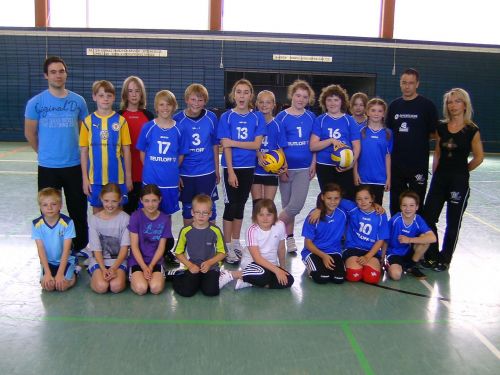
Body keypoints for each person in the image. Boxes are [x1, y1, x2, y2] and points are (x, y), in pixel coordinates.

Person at [24, 56, 89, 254]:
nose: (58, 75)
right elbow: (30, 133)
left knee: (78, 210)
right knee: (50, 210)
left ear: (66, 74)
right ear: (46, 75)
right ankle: (53, 249)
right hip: (48, 167)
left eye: (61, 71)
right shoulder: (36, 103)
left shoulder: (78, 101)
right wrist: (44, 153)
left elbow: (84, 134)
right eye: (53, 72)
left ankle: (79, 248)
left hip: (74, 165)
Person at [423, 88, 484, 272]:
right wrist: (436, 173)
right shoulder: (441, 128)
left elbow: (479, 157)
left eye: (457, 101)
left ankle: (445, 259)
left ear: (465, 104)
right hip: (440, 179)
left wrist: (462, 172)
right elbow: (439, 153)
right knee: (427, 216)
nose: (453, 105)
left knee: (453, 221)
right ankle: (432, 256)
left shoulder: (472, 130)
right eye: (450, 102)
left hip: (458, 181)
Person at [217, 79, 266, 263]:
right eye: (238, 92)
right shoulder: (227, 117)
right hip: (232, 167)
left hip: (248, 168)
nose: (242, 96)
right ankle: (227, 246)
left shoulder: (257, 117)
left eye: (246, 92)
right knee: (231, 206)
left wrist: (233, 142)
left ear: (251, 95)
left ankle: (236, 242)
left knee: (241, 205)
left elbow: (256, 144)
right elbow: (225, 147)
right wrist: (230, 172)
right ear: (233, 95)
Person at [386, 68, 439, 215]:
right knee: (396, 204)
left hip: (418, 165)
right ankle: (396, 235)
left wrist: (416, 138)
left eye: (411, 83)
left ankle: (415, 237)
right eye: (404, 82)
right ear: (400, 84)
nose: (407, 86)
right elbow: (389, 133)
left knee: (416, 204)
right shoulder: (394, 106)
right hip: (397, 165)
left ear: (417, 84)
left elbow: (435, 133)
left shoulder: (427, 106)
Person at [79, 80, 132, 214]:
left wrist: (128, 177)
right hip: (95, 179)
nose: (105, 99)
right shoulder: (87, 122)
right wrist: (85, 179)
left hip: (117, 177)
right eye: (101, 95)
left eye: (109, 95)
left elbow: (126, 151)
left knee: (118, 213)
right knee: (97, 213)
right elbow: (84, 152)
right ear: (94, 97)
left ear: (114, 97)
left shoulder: (121, 121)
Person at [276, 80, 317, 253]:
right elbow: (279, 145)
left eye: (305, 97)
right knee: (287, 205)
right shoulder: (282, 117)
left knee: (295, 205)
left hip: (304, 168)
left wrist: (313, 163)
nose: (301, 99)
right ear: (292, 95)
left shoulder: (311, 117)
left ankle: (270, 229)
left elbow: (315, 142)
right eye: (298, 95)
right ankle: (289, 238)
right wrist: (283, 168)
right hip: (286, 168)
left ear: (309, 99)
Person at [219, 199, 294, 290]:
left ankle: (249, 282)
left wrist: (282, 269)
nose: (265, 218)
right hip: (252, 264)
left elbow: (281, 248)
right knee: (263, 275)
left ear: (274, 215)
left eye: (269, 215)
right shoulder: (252, 230)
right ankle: (231, 274)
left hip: (271, 265)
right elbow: (257, 259)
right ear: (255, 216)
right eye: (261, 215)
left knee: (289, 280)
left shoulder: (280, 225)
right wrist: (277, 270)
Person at [137, 90, 190, 217]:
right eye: (161, 104)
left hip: (170, 181)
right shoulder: (148, 127)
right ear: (156, 107)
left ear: (174, 106)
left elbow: (181, 155)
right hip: (151, 179)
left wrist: (171, 169)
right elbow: (142, 153)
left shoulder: (180, 129)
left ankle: (165, 237)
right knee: (148, 213)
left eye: (168, 104)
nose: (165, 108)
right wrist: (151, 167)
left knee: (166, 216)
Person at [173, 84, 220, 226]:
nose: (196, 103)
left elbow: (215, 145)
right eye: (193, 99)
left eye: (200, 100)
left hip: (206, 172)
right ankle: (189, 242)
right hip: (186, 173)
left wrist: (217, 170)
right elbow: (174, 150)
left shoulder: (211, 117)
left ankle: (211, 242)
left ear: (205, 101)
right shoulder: (177, 119)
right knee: (188, 209)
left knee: (209, 207)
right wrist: (176, 174)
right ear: (186, 99)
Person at [310, 84, 360, 199]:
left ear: (342, 102)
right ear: (324, 102)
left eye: (336, 100)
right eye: (329, 100)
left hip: (345, 165)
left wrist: (351, 164)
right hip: (324, 166)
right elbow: (313, 146)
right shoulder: (320, 120)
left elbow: (357, 146)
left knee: (346, 199)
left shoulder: (349, 120)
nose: (332, 103)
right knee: (328, 200)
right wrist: (331, 141)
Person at [173, 194, 226, 297]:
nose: (201, 216)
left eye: (205, 213)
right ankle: (178, 275)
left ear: (210, 214)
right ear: (192, 212)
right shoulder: (185, 231)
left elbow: (223, 252)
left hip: (211, 267)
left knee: (211, 292)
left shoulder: (215, 231)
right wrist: (190, 265)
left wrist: (209, 263)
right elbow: (178, 253)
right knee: (187, 292)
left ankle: (203, 280)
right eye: (197, 212)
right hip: (193, 266)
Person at [118, 76, 155, 215]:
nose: (133, 94)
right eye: (130, 91)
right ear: (125, 94)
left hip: (144, 172)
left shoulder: (148, 116)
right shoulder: (119, 116)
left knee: (144, 213)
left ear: (142, 94)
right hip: (124, 173)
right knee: (125, 213)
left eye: (137, 91)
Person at [128, 184, 172, 295]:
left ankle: (158, 275)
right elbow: (134, 246)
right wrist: (143, 266)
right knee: (141, 288)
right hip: (137, 261)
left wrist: (151, 266)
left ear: (159, 200)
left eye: (154, 200)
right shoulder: (135, 216)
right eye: (146, 201)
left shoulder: (165, 219)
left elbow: (161, 247)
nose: (150, 204)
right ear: (141, 200)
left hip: (155, 261)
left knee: (155, 288)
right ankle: (133, 276)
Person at [382, 190, 436, 280]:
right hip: (394, 253)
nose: (408, 209)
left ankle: (412, 265)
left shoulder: (418, 219)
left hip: (409, 251)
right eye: (404, 205)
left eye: (411, 205)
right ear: (400, 207)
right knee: (396, 275)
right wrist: (382, 257)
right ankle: (391, 265)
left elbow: (433, 238)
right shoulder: (395, 220)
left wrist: (409, 240)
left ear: (417, 207)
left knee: (425, 239)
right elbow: (385, 238)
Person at [32, 188, 77, 292]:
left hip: (66, 261)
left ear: (60, 205)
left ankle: (75, 271)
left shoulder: (68, 223)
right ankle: (49, 274)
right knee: (48, 287)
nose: (49, 208)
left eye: (53, 204)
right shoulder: (36, 224)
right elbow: (41, 249)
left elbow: (66, 250)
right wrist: (47, 273)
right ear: (40, 207)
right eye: (45, 205)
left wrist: (60, 274)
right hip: (48, 262)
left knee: (61, 286)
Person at [87, 183, 130, 294]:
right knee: (102, 287)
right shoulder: (94, 220)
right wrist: (103, 269)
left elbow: (124, 249)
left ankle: (120, 276)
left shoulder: (125, 219)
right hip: (99, 260)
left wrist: (113, 268)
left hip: (118, 261)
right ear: (101, 199)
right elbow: (96, 249)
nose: (110, 205)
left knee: (116, 287)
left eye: (114, 201)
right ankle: (95, 277)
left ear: (120, 200)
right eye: (106, 201)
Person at [343, 185, 390, 284]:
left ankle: (366, 265)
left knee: (371, 278)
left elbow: (380, 240)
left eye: (366, 198)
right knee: (353, 276)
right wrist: (319, 208)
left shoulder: (380, 215)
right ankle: (348, 263)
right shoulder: (353, 208)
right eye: (359, 199)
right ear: (355, 200)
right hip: (353, 249)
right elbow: (332, 199)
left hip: (371, 252)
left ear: (372, 198)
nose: (363, 202)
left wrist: (367, 257)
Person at [301, 183, 346, 284]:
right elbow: (307, 243)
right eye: (329, 198)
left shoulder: (342, 213)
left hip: (334, 251)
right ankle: (309, 264)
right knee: (322, 278)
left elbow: (360, 206)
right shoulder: (313, 216)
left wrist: (376, 205)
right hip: (314, 251)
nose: (333, 202)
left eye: (336, 198)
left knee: (339, 279)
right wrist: (323, 256)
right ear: (322, 197)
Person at [354, 98, 392, 205]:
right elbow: (355, 154)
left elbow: (387, 156)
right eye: (373, 110)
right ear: (367, 112)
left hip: (379, 178)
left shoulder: (388, 133)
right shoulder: (360, 131)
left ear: (384, 114)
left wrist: (388, 178)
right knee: (361, 207)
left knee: (376, 208)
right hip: (363, 178)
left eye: (380, 111)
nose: (376, 113)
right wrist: (355, 173)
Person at [251, 90, 287, 203]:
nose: (264, 105)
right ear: (256, 103)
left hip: (272, 169)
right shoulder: (252, 122)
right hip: (255, 169)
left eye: (268, 102)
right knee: (257, 204)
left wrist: (284, 163)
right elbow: (248, 143)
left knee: (268, 204)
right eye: (261, 102)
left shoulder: (278, 124)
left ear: (273, 105)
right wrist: (258, 154)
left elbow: (280, 147)